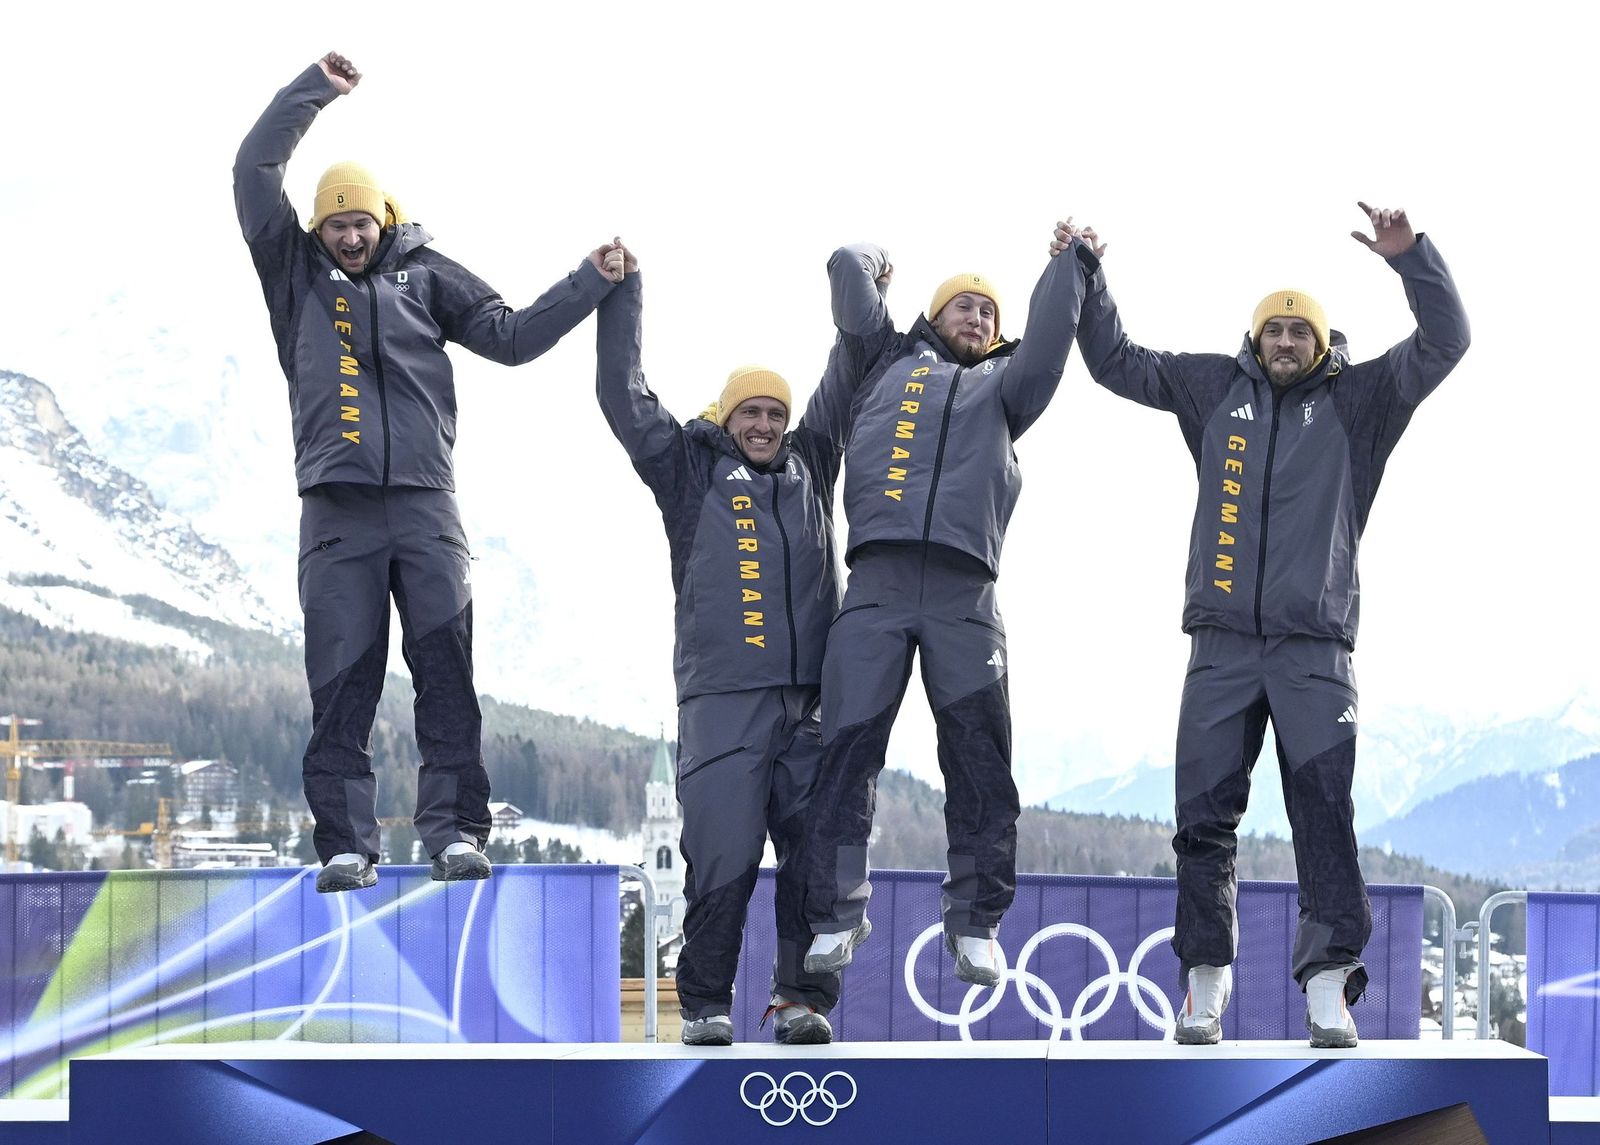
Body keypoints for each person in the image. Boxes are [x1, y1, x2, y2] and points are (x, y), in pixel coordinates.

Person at [1073, 203, 1470, 1047]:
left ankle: (1328, 987)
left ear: (1322, 343)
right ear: (1255, 339)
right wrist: (1086, 274)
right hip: (1218, 647)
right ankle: (1204, 986)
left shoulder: (1361, 402)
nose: (1287, 341)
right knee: (1202, 824)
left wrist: (1412, 258)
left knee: (1322, 815)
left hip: (1314, 649)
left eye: (1301, 331)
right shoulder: (1215, 388)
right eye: (1275, 330)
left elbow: (1447, 340)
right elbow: (1112, 361)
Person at [234, 52, 622, 893]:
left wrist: (587, 282)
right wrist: (316, 89)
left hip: (425, 510)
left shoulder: (427, 276)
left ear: (383, 219)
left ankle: (454, 832)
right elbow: (253, 167)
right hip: (336, 513)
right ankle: (345, 843)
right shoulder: (294, 275)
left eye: (358, 221)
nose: (346, 234)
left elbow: (512, 336)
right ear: (317, 230)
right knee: (342, 682)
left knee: (447, 676)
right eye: (333, 223)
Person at [801, 222, 1101, 990]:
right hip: (877, 580)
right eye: (962, 307)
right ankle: (837, 910)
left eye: (989, 313)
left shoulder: (1009, 387)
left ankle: (975, 921)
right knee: (846, 749)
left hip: (966, 591)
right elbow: (843, 266)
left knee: (980, 759)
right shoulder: (883, 359)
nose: (975, 319)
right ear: (933, 316)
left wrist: (1069, 263)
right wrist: (878, 264)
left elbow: (1053, 342)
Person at [595, 241, 865, 1046]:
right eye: (751, 412)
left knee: (817, 859)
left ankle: (799, 1001)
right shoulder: (688, 467)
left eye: (776, 415)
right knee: (722, 857)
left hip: (809, 706)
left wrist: (864, 275)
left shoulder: (813, 464)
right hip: (720, 705)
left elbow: (847, 368)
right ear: (726, 415)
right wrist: (623, 289)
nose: (765, 425)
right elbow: (621, 391)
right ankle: (706, 1003)